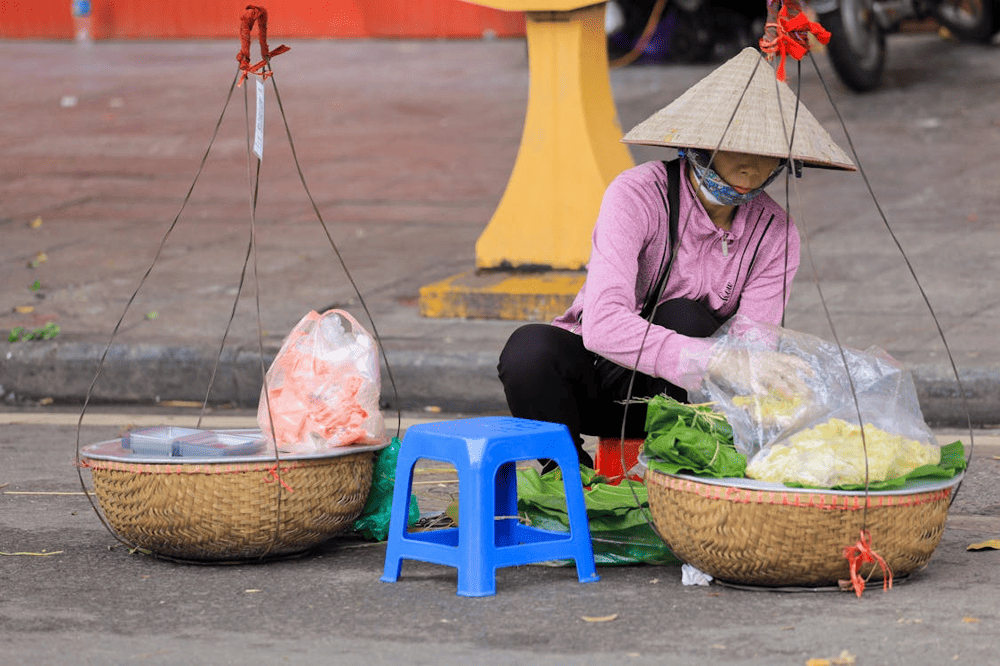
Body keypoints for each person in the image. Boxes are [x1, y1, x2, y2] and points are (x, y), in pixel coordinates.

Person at [497, 47, 855, 470]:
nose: (752, 163)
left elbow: (755, 345)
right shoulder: (636, 194)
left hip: (688, 400)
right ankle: (568, 479)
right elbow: (604, 324)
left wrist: (753, 373)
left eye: (768, 150)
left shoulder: (776, 233)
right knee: (528, 352)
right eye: (735, 144)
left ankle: (679, 468)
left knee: (684, 315)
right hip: (602, 379)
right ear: (699, 143)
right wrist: (718, 358)